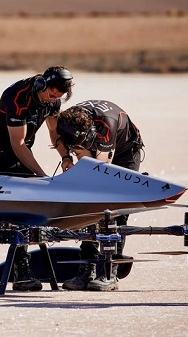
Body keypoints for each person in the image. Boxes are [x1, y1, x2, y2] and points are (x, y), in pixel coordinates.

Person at [0, 66, 75, 291]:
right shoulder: (17, 96)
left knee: (24, 211)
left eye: (57, 97)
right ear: (42, 85)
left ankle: (21, 269)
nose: (52, 100)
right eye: (51, 95)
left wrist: (66, 157)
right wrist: (43, 177)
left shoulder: (52, 100)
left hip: (21, 153)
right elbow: (17, 144)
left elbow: (54, 132)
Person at [54, 100, 144, 292]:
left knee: (116, 208)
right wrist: (67, 158)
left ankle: (110, 273)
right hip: (94, 141)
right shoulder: (65, 123)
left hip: (125, 153)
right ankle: (88, 269)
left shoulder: (106, 124)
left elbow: (101, 172)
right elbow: (76, 153)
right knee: (87, 206)